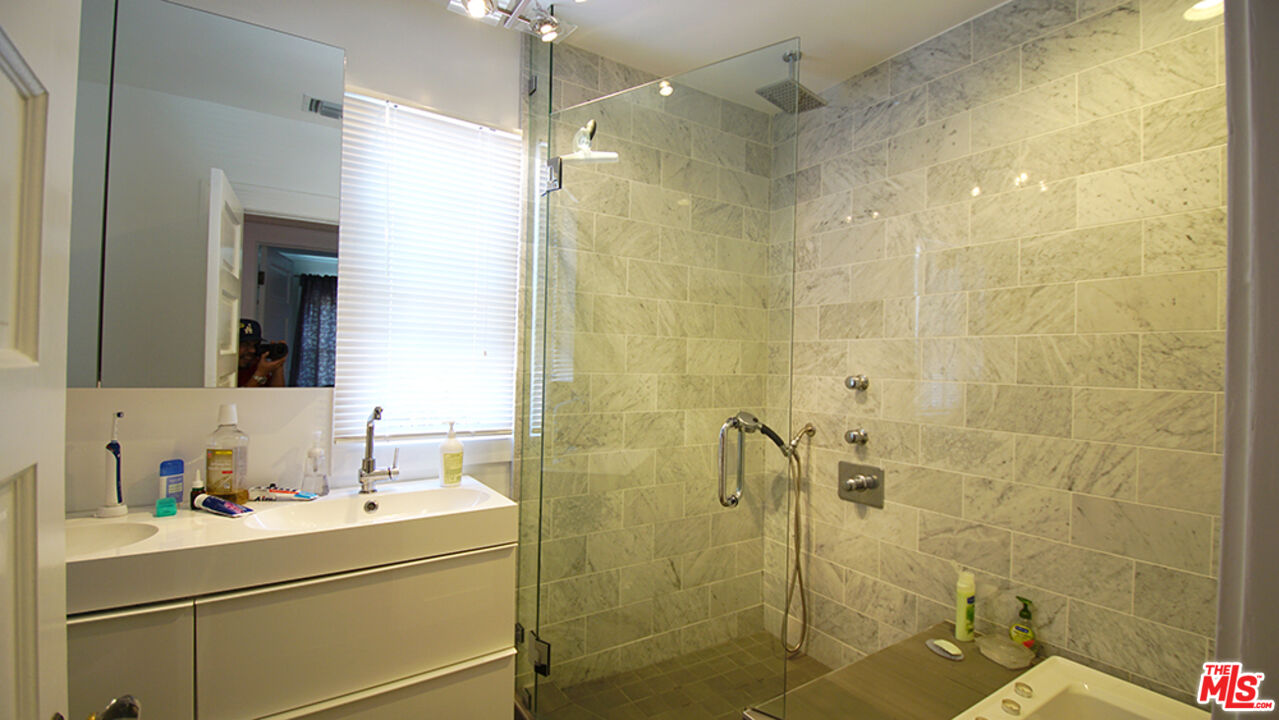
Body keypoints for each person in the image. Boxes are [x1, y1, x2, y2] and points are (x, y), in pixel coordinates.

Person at [237, 319, 287, 387]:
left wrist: (278, 365)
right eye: (245, 345)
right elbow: (238, 397)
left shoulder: (255, 365)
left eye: (256, 345)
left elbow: (278, 395)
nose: (252, 350)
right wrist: (259, 374)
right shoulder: (224, 371)